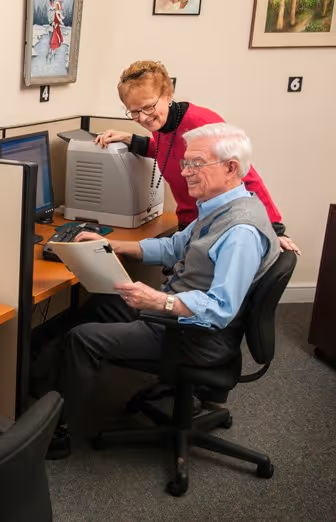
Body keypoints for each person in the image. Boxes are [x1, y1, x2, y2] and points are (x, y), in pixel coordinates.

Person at [50, 123, 281, 456]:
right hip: (179, 314)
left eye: (196, 164)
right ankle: (66, 387)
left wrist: (159, 300)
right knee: (101, 302)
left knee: (81, 338)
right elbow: (175, 247)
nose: (185, 173)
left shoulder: (240, 232)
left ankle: (60, 433)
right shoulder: (224, 204)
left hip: (195, 337)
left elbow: (219, 309)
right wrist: (112, 244)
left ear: (231, 168)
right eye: (185, 163)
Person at [94, 60, 300, 254]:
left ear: (167, 94)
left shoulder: (202, 123)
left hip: (217, 227)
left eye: (148, 107)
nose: (144, 117)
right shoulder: (162, 125)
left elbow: (244, 173)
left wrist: (275, 228)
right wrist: (130, 139)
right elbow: (167, 151)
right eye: (134, 112)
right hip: (190, 224)